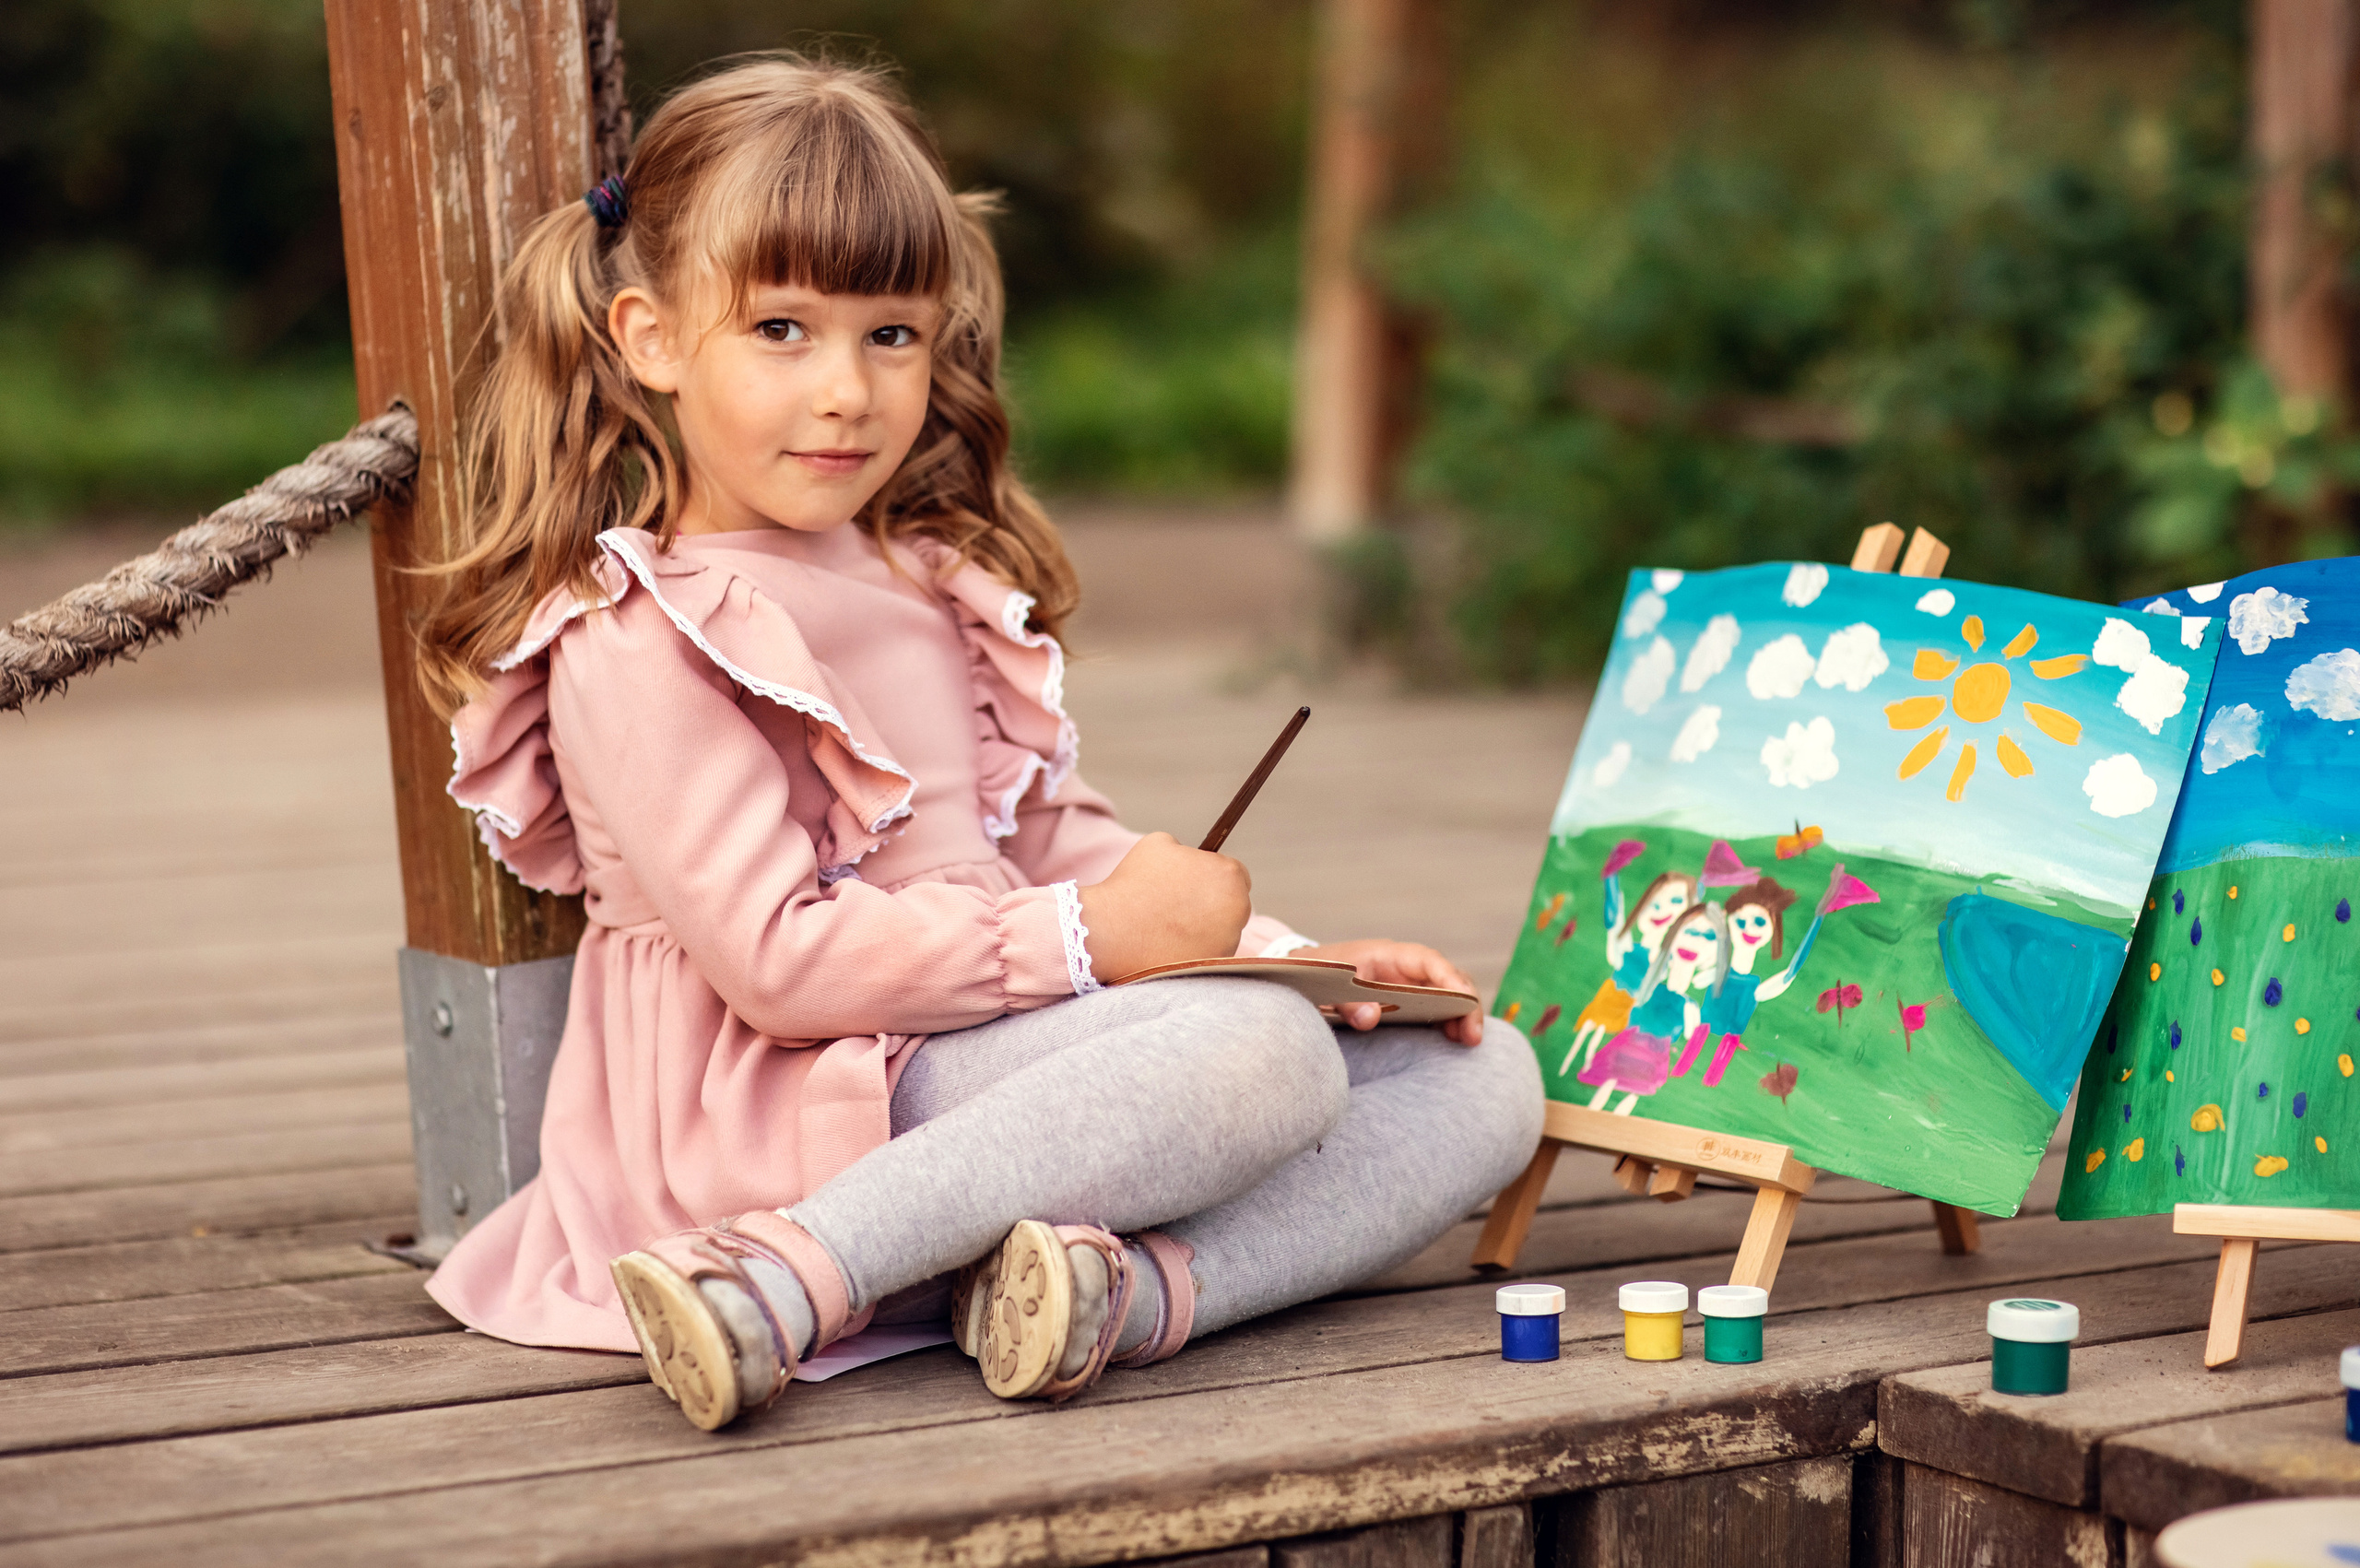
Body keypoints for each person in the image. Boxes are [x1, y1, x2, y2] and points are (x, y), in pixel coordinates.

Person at [411, 56, 1542, 1433]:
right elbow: (778, 965)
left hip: (969, 1045)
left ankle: (1099, 1298)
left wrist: (1302, 960)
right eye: (782, 330)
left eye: (890, 335)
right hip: (784, 1098)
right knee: (1263, 1060)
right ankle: (778, 1277)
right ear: (650, 338)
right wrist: (1104, 948)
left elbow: (1063, 846)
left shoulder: (929, 585)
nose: (845, 390)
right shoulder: (639, 627)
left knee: (1481, 1073)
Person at [1578, 902, 1729, 1114]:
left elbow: (1688, 1034)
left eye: (1709, 937)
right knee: (1611, 1083)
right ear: (1674, 933)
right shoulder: (1650, 986)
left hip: (1653, 1055)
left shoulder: (1688, 1006)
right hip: (1631, 1043)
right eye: (1691, 932)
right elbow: (1635, 1013)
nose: (1696, 942)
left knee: (1633, 1093)